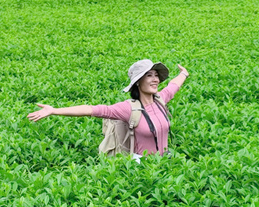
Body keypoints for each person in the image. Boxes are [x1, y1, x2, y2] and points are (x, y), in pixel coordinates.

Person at [27, 59, 189, 156]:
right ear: (138, 82)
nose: (155, 80)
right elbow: (92, 110)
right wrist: (54, 110)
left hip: (166, 162)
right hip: (143, 168)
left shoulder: (161, 99)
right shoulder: (128, 108)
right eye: (149, 75)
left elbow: (173, 86)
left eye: (156, 75)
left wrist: (184, 74)